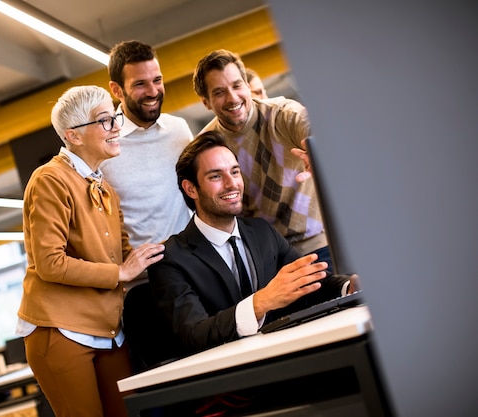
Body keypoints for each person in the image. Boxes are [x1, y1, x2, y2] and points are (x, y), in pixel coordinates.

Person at [16, 85, 164, 417]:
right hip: (60, 330)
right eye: (105, 121)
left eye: (115, 118)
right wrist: (121, 273)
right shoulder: (49, 180)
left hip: (106, 327)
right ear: (74, 136)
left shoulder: (105, 189)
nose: (116, 127)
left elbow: (126, 257)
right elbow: (50, 264)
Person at [148, 131, 358, 355]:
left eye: (235, 172)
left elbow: (310, 283)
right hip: (229, 375)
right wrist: (260, 303)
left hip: (289, 354)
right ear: (191, 189)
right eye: (216, 176)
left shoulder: (262, 231)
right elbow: (193, 335)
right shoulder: (169, 260)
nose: (232, 184)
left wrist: (350, 287)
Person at [192, 49, 332, 270]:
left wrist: (318, 150)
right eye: (219, 92)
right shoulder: (208, 145)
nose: (233, 98)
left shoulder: (281, 114)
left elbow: (310, 127)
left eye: (237, 86)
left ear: (247, 86)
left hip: (318, 248)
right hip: (265, 263)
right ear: (206, 102)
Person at [100, 40, 194, 252]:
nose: (153, 92)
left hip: (190, 261)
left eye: (157, 80)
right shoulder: (102, 145)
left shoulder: (178, 129)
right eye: (140, 84)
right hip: (140, 276)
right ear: (117, 90)